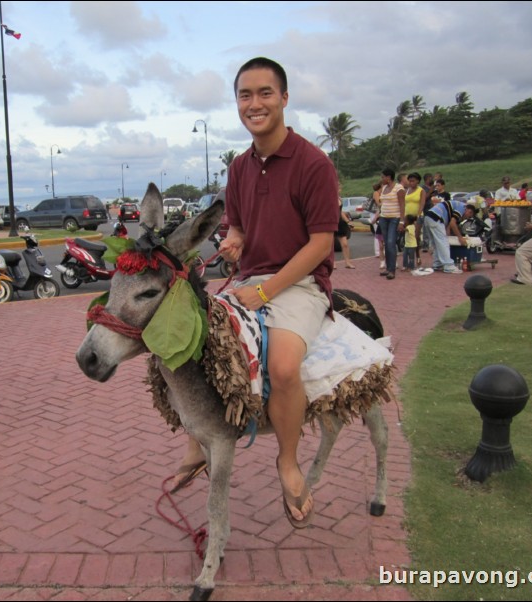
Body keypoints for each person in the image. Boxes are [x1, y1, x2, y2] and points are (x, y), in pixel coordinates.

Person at [173, 57, 338, 528]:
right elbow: (240, 227)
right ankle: (197, 442)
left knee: (284, 365)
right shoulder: (240, 167)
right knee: (190, 340)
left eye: (265, 93)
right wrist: (235, 241)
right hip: (251, 281)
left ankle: (287, 462)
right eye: (245, 95)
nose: (255, 103)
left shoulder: (314, 164)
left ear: (284, 98)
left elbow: (321, 243)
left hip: (299, 284)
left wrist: (266, 291)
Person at [423, 191, 473, 274]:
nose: (466, 218)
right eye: (469, 216)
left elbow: (450, 222)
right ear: (469, 211)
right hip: (436, 217)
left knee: (436, 243)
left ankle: (437, 264)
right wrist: (460, 238)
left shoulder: (456, 204)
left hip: (428, 216)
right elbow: (453, 223)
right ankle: (448, 265)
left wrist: (447, 229)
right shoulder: (462, 207)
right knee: (443, 242)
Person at [378, 168, 406, 280]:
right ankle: (388, 268)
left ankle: (392, 270)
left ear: (389, 177)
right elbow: (375, 188)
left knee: (391, 243)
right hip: (384, 218)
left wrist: (402, 221)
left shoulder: (399, 188)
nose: (382, 179)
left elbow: (402, 205)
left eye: (383, 177)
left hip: (394, 218)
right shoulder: (384, 187)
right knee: (386, 243)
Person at [404, 172, 426, 264]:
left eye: (413, 181)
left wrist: (418, 215)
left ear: (417, 181)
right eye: (410, 181)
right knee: (407, 237)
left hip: (417, 216)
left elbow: (422, 203)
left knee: (415, 236)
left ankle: (417, 255)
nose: (411, 183)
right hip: (407, 216)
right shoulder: (407, 190)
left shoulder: (421, 191)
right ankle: (408, 258)